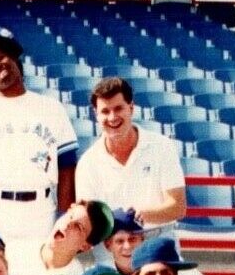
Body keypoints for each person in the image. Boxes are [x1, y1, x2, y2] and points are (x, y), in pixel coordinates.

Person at [0, 27, 77, 256]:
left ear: (14, 56)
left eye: (0, 57)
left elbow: (67, 168)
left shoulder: (51, 108)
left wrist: (62, 216)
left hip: (42, 210)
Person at [75, 76, 187, 233]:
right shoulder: (87, 163)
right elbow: (87, 219)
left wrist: (141, 216)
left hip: (156, 241)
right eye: (105, 111)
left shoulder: (162, 147)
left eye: (118, 108)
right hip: (111, 243)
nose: (112, 117)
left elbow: (178, 207)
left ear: (131, 108)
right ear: (96, 115)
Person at [5, 199, 114, 275]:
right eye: (70, 216)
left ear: (85, 246)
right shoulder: (13, 250)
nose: (67, 224)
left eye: (78, 226)